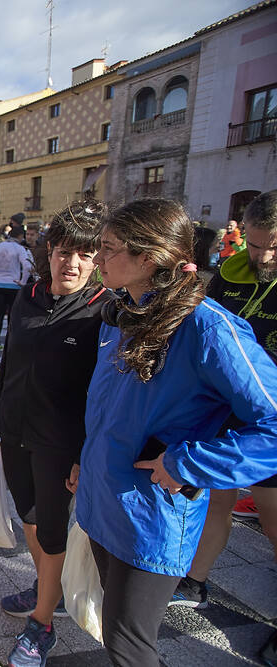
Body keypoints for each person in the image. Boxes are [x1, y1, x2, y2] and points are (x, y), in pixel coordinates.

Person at [75, 198, 277, 667]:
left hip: (153, 515)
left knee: (128, 645)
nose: (97, 259)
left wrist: (187, 463)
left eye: (107, 248)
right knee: (119, 635)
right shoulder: (123, 312)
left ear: (148, 257)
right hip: (105, 500)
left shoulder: (209, 328)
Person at [0, 203, 112, 667]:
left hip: (60, 444)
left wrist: (85, 454)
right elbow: (10, 360)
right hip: (15, 431)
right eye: (63, 251)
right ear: (49, 252)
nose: (71, 263)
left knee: (53, 531)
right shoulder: (28, 295)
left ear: (97, 259)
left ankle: (43, 626)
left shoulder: (103, 311)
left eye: (84, 253)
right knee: (31, 520)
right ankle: (48, 590)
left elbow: (104, 393)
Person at [170, 191, 277, 660]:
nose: (263, 257)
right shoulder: (228, 278)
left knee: (275, 522)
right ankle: (194, 581)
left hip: (269, 423)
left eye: (273, 246)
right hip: (220, 417)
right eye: (254, 246)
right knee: (215, 503)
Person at [0, 227, 34, 353]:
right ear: (20, 236)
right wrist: (23, 282)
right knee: (12, 316)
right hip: (14, 285)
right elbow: (27, 266)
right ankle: (10, 343)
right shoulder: (20, 248)